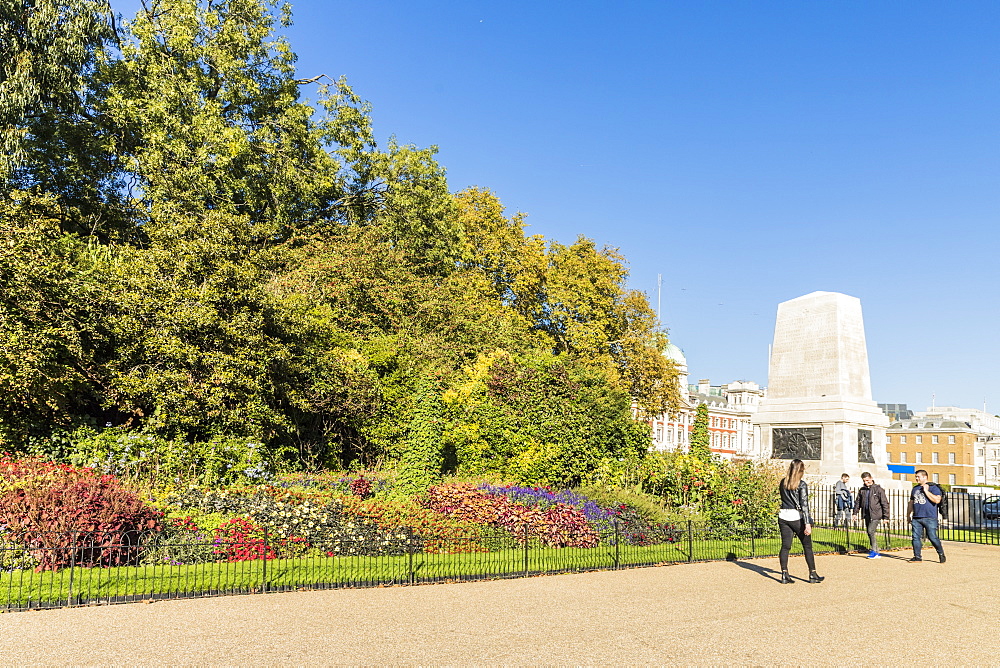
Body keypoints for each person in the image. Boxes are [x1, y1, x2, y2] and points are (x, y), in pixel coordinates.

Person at [777, 459, 824, 584]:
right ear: (801, 470)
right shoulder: (801, 484)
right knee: (807, 546)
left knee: (785, 546)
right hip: (796, 517)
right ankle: (812, 573)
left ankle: (784, 574)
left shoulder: (783, 482)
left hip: (783, 515)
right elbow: (804, 505)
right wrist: (807, 523)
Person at [906, 469, 946, 563]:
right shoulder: (915, 489)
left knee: (932, 537)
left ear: (925, 477)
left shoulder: (933, 488)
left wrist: (926, 491)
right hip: (917, 517)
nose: (916, 479)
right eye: (916, 477)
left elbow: (937, 500)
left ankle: (940, 553)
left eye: (918, 477)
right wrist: (908, 515)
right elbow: (911, 502)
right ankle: (917, 556)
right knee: (915, 537)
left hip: (930, 517)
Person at [852, 472, 890, 558]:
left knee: (871, 531)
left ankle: (874, 551)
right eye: (864, 481)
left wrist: (886, 516)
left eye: (867, 480)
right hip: (866, 514)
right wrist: (855, 513)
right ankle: (876, 551)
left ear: (871, 478)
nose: (866, 482)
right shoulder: (862, 490)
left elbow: (884, 503)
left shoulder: (878, 489)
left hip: (876, 514)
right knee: (869, 532)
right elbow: (858, 502)